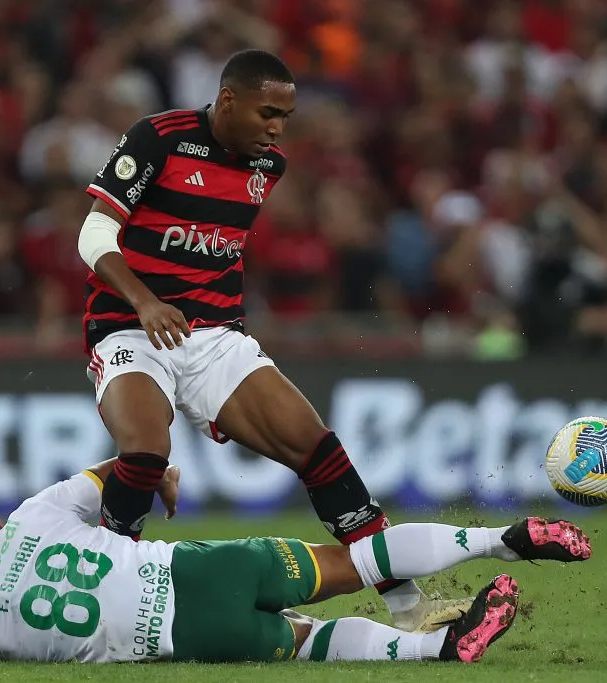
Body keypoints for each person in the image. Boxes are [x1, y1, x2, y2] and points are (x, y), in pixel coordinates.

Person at [76, 47, 467, 631]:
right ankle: (103, 594)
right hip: (129, 325)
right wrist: (146, 300)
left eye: (285, 117)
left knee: (316, 447)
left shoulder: (268, 168)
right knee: (145, 453)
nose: (277, 129)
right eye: (267, 114)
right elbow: (93, 233)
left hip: (211, 337)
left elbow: (218, 251)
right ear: (227, 100)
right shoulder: (157, 138)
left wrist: (224, 354)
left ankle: (408, 608)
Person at [0, 460, 593, 664]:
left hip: (182, 637)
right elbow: (118, 468)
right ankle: (502, 537)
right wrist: (156, 472)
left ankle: (440, 650)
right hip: (198, 569)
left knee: (308, 642)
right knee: (355, 561)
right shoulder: (31, 512)